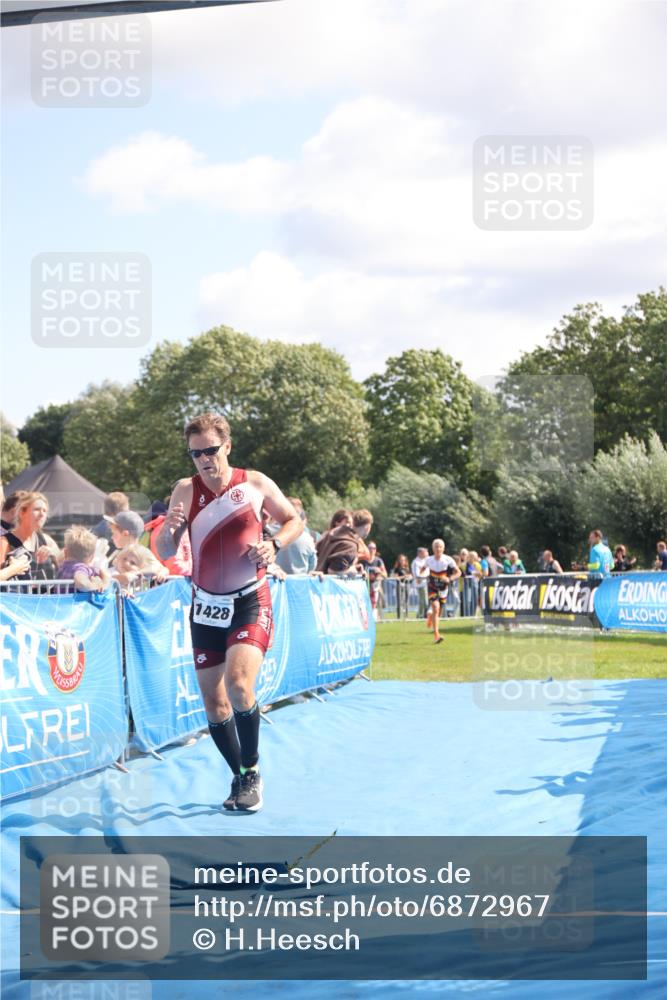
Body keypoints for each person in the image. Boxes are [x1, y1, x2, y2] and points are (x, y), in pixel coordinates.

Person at [156, 412, 302, 813]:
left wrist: (274, 544)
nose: (204, 459)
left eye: (211, 450)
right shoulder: (185, 490)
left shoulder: (254, 483)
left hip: (250, 599)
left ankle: (252, 771)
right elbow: (167, 551)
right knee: (214, 703)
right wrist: (169, 530)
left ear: (228, 446)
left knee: (238, 685)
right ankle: (239, 774)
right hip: (206, 605)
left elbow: (294, 520)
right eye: (195, 453)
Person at [0, 492, 60, 581]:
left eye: (44, 511)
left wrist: (53, 554)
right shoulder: (5, 542)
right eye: (37, 509)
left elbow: (64, 563)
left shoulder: (44, 539)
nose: (42, 514)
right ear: (22, 512)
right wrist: (13, 569)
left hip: (44, 590)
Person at [425, 539, 461, 643]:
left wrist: (450, 579)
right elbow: (422, 569)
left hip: (443, 589)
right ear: (433, 548)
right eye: (436, 546)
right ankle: (436, 635)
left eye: (440, 547)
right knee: (436, 608)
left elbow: (458, 572)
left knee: (438, 612)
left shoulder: (448, 559)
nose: (438, 549)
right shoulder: (428, 560)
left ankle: (431, 617)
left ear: (443, 548)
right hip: (432, 587)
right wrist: (419, 576)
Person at [57, 526, 110, 592]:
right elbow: (81, 583)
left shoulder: (63, 568)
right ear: (92, 558)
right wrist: (95, 586)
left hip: (59, 598)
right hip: (77, 599)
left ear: (65, 553)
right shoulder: (81, 568)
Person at [274, 497, 316, 575]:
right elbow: (312, 566)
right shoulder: (307, 538)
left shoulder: (268, 532)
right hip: (299, 580)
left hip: (272, 580)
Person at [363, 541, 387, 621]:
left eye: (374, 548)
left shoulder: (378, 561)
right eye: (370, 548)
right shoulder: (363, 561)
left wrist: (379, 571)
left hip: (376, 586)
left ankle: (375, 619)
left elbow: (385, 574)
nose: (372, 550)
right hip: (365, 586)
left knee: (375, 602)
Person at [411, 547, 430, 619]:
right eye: (425, 552)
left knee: (424, 601)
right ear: (420, 553)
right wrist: (425, 577)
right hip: (420, 584)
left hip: (427, 583)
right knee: (424, 601)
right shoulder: (416, 562)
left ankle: (421, 615)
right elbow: (416, 575)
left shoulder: (426, 560)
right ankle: (421, 615)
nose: (427, 553)